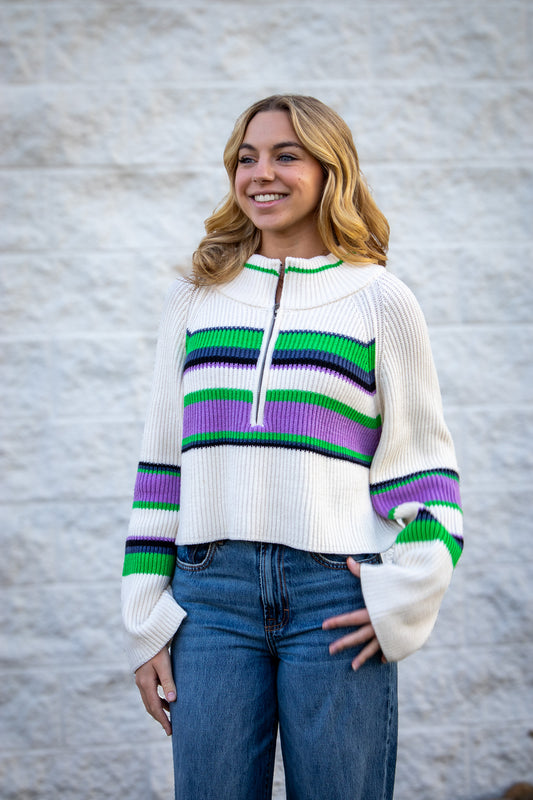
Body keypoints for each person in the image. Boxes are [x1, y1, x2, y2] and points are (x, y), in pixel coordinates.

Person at [121, 94, 463, 800]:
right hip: (208, 600)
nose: (260, 173)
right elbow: (161, 468)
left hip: (333, 597)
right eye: (246, 158)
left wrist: (400, 594)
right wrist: (145, 621)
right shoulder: (195, 297)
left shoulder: (379, 300)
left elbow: (424, 476)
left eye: (285, 155)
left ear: (328, 169)